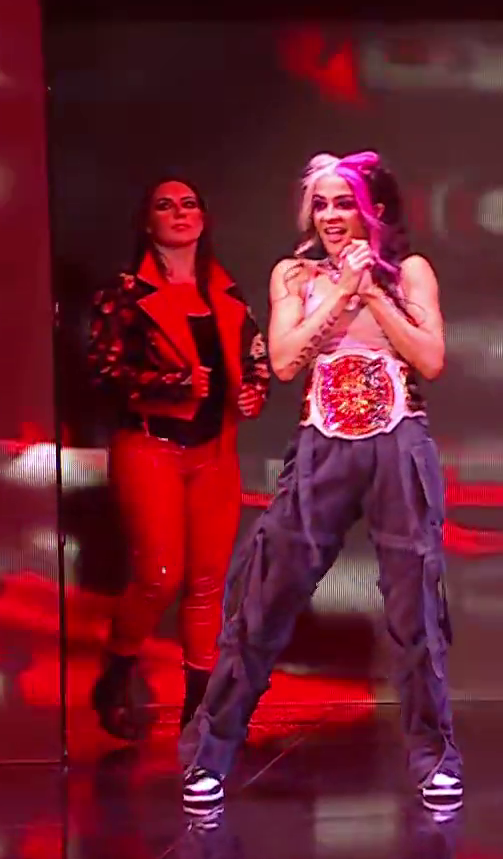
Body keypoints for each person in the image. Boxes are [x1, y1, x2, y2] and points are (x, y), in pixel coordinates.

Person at [178, 151, 456, 816]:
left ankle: (434, 759)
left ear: (374, 209)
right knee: (266, 598)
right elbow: (282, 361)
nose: (332, 216)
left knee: (414, 609)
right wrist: (338, 293)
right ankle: (211, 753)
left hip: (397, 443)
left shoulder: (410, 272)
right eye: (322, 204)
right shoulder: (295, 274)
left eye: (344, 202)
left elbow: (430, 359)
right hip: (321, 444)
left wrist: (374, 293)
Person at [86, 177, 269, 740]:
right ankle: (116, 672)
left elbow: (256, 357)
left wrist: (253, 391)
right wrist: (174, 384)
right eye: (166, 206)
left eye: (189, 204)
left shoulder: (226, 293)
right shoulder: (125, 293)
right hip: (151, 447)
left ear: (204, 218)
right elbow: (103, 372)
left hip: (214, 452)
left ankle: (201, 711)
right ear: (148, 222)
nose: (180, 213)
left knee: (209, 583)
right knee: (158, 577)